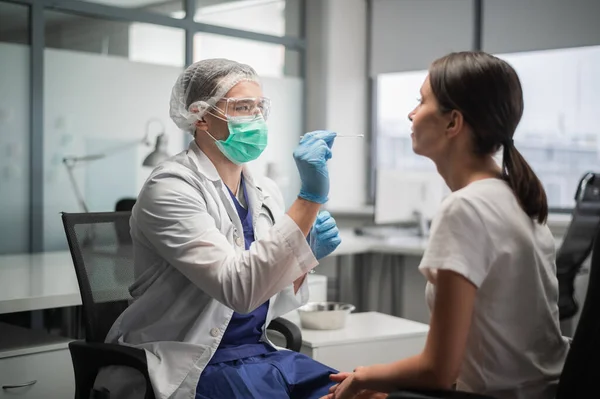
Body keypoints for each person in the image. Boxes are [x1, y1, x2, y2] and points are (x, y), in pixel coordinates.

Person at [323, 51, 570, 399]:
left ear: (453, 123)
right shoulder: (517, 197)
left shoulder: (466, 208)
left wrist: (367, 376)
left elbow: (439, 370)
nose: (411, 113)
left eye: (421, 101)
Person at [96, 59, 342, 399]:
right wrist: (310, 199)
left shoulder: (264, 190)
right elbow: (239, 291)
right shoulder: (169, 188)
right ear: (200, 116)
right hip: (192, 361)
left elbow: (269, 294)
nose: (256, 119)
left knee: (357, 390)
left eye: (259, 108)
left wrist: (304, 257)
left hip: (256, 354)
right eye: (242, 108)